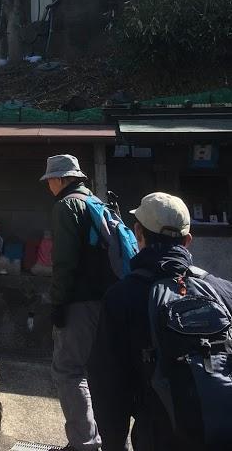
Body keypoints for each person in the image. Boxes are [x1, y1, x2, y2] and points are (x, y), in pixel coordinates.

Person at [89, 192, 232, 451]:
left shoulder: (123, 297)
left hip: (158, 435)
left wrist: (114, 444)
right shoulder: (222, 291)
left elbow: (108, 384)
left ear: (138, 233)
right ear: (188, 240)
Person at [41, 154, 104, 451]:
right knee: (97, 370)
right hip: (105, 301)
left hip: (79, 301)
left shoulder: (66, 206)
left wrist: (58, 303)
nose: (49, 186)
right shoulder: (98, 203)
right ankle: (100, 438)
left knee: (68, 370)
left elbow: (64, 263)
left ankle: (84, 443)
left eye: (50, 181)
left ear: (60, 179)